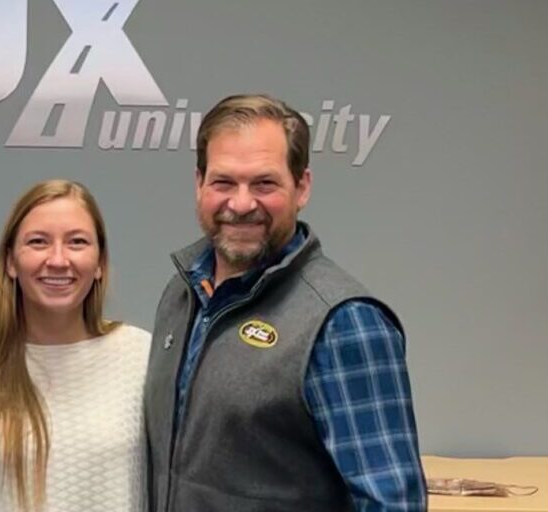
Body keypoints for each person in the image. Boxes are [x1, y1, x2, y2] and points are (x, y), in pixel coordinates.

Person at [144, 94, 426, 511]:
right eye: (224, 182)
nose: (241, 204)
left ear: (302, 186)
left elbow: (392, 505)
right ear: (199, 183)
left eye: (264, 183)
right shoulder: (181, 293)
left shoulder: (343, 322)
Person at [0, 179, 151, 512]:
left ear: (100, 264)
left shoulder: (140, 357)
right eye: (38, 242)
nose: (58, 259)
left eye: (77, 242)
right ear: (10, 261)